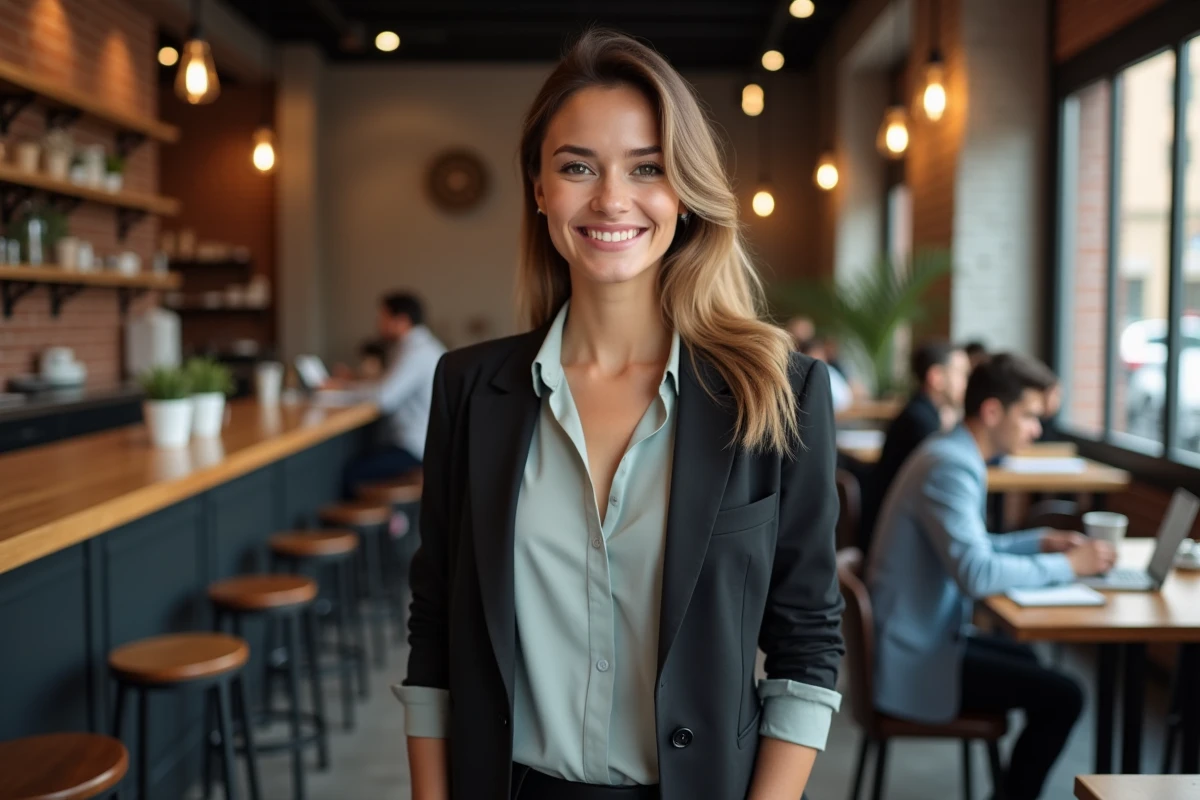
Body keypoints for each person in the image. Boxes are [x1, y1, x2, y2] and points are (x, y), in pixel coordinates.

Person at [397, 29, 845, 800]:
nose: (611, 199)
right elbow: (434, 630)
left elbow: (806, 645)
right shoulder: (467, 389)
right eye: (578, 167)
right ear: (540, 188)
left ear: (685, 192)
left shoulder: (777, 393)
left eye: (648, 168)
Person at [866, 353, 1116, 800]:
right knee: (1066, 695)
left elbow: (973, 549)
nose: (1036, 430)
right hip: (913, 654)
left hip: (921, 634)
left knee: (1032, 665)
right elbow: (976, 575)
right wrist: (1070, 566)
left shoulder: (951, 451)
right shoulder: (952, 465)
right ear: (992, 411)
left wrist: (1038, 542)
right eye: (1030, 416)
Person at [858, 341, 971, 552]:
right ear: (936, 377)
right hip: (891, 542)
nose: (966, 383)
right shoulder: (919, 422)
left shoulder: (923, 414)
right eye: (961, 374)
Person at [337, 292, 446, 495]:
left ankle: (391, 524)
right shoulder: (416, 346)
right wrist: (352, 381)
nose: (378, 324)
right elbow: (387, 384)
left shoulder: (416, 352)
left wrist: (342, 388)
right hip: (422, 445)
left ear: (401, 320)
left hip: (415, 448)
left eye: (383, 317)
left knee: (351, 473)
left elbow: (383, 397)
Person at [799, 336, 853, 412]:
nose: (818, 357)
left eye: (820, 354)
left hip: (842, 412)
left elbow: (845, 395)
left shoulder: (829, 370)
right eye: (814, 353)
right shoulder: (804, 374)